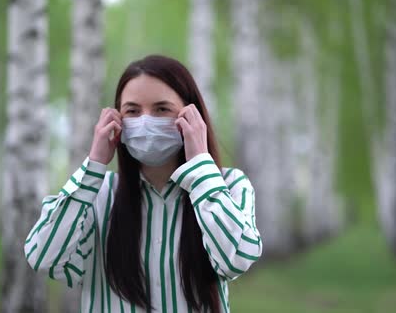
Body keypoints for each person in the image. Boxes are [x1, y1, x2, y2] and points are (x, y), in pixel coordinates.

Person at [24, 54, 262, 312]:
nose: (145, 122)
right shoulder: (97, 195)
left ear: (191, 117)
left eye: (162, 109)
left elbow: (237, 258)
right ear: (117, 119)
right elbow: (43, 255)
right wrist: (93, 165)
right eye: (133, 111)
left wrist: (201, 166)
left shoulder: (228, 185)